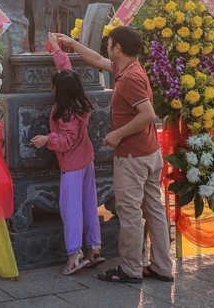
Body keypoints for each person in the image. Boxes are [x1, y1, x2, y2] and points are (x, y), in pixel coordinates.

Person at [56, 26, 174, 284]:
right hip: (149, 152)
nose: (107, 47)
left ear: (117, 47)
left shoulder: (130, 78)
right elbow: (97, 60)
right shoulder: (129, 68)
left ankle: (131, 268)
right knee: (154, 209)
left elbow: (148, 114)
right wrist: (72, 44)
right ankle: (162, 266)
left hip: (133, 155)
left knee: (130, 212)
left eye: (109, 42)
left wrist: (117, 134)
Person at [31, 34, 104, 274]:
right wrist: (56, 52)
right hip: (87, 162)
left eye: (53, 85)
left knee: (70, 209)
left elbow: (66, 140)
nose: (51, 87)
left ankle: (74, 253)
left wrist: (46, 139)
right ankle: (94, 247)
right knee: (89, 205)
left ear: (59, 91)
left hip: (72, 166)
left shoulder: (66, 113)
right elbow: (67, 71)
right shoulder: (78, 101)